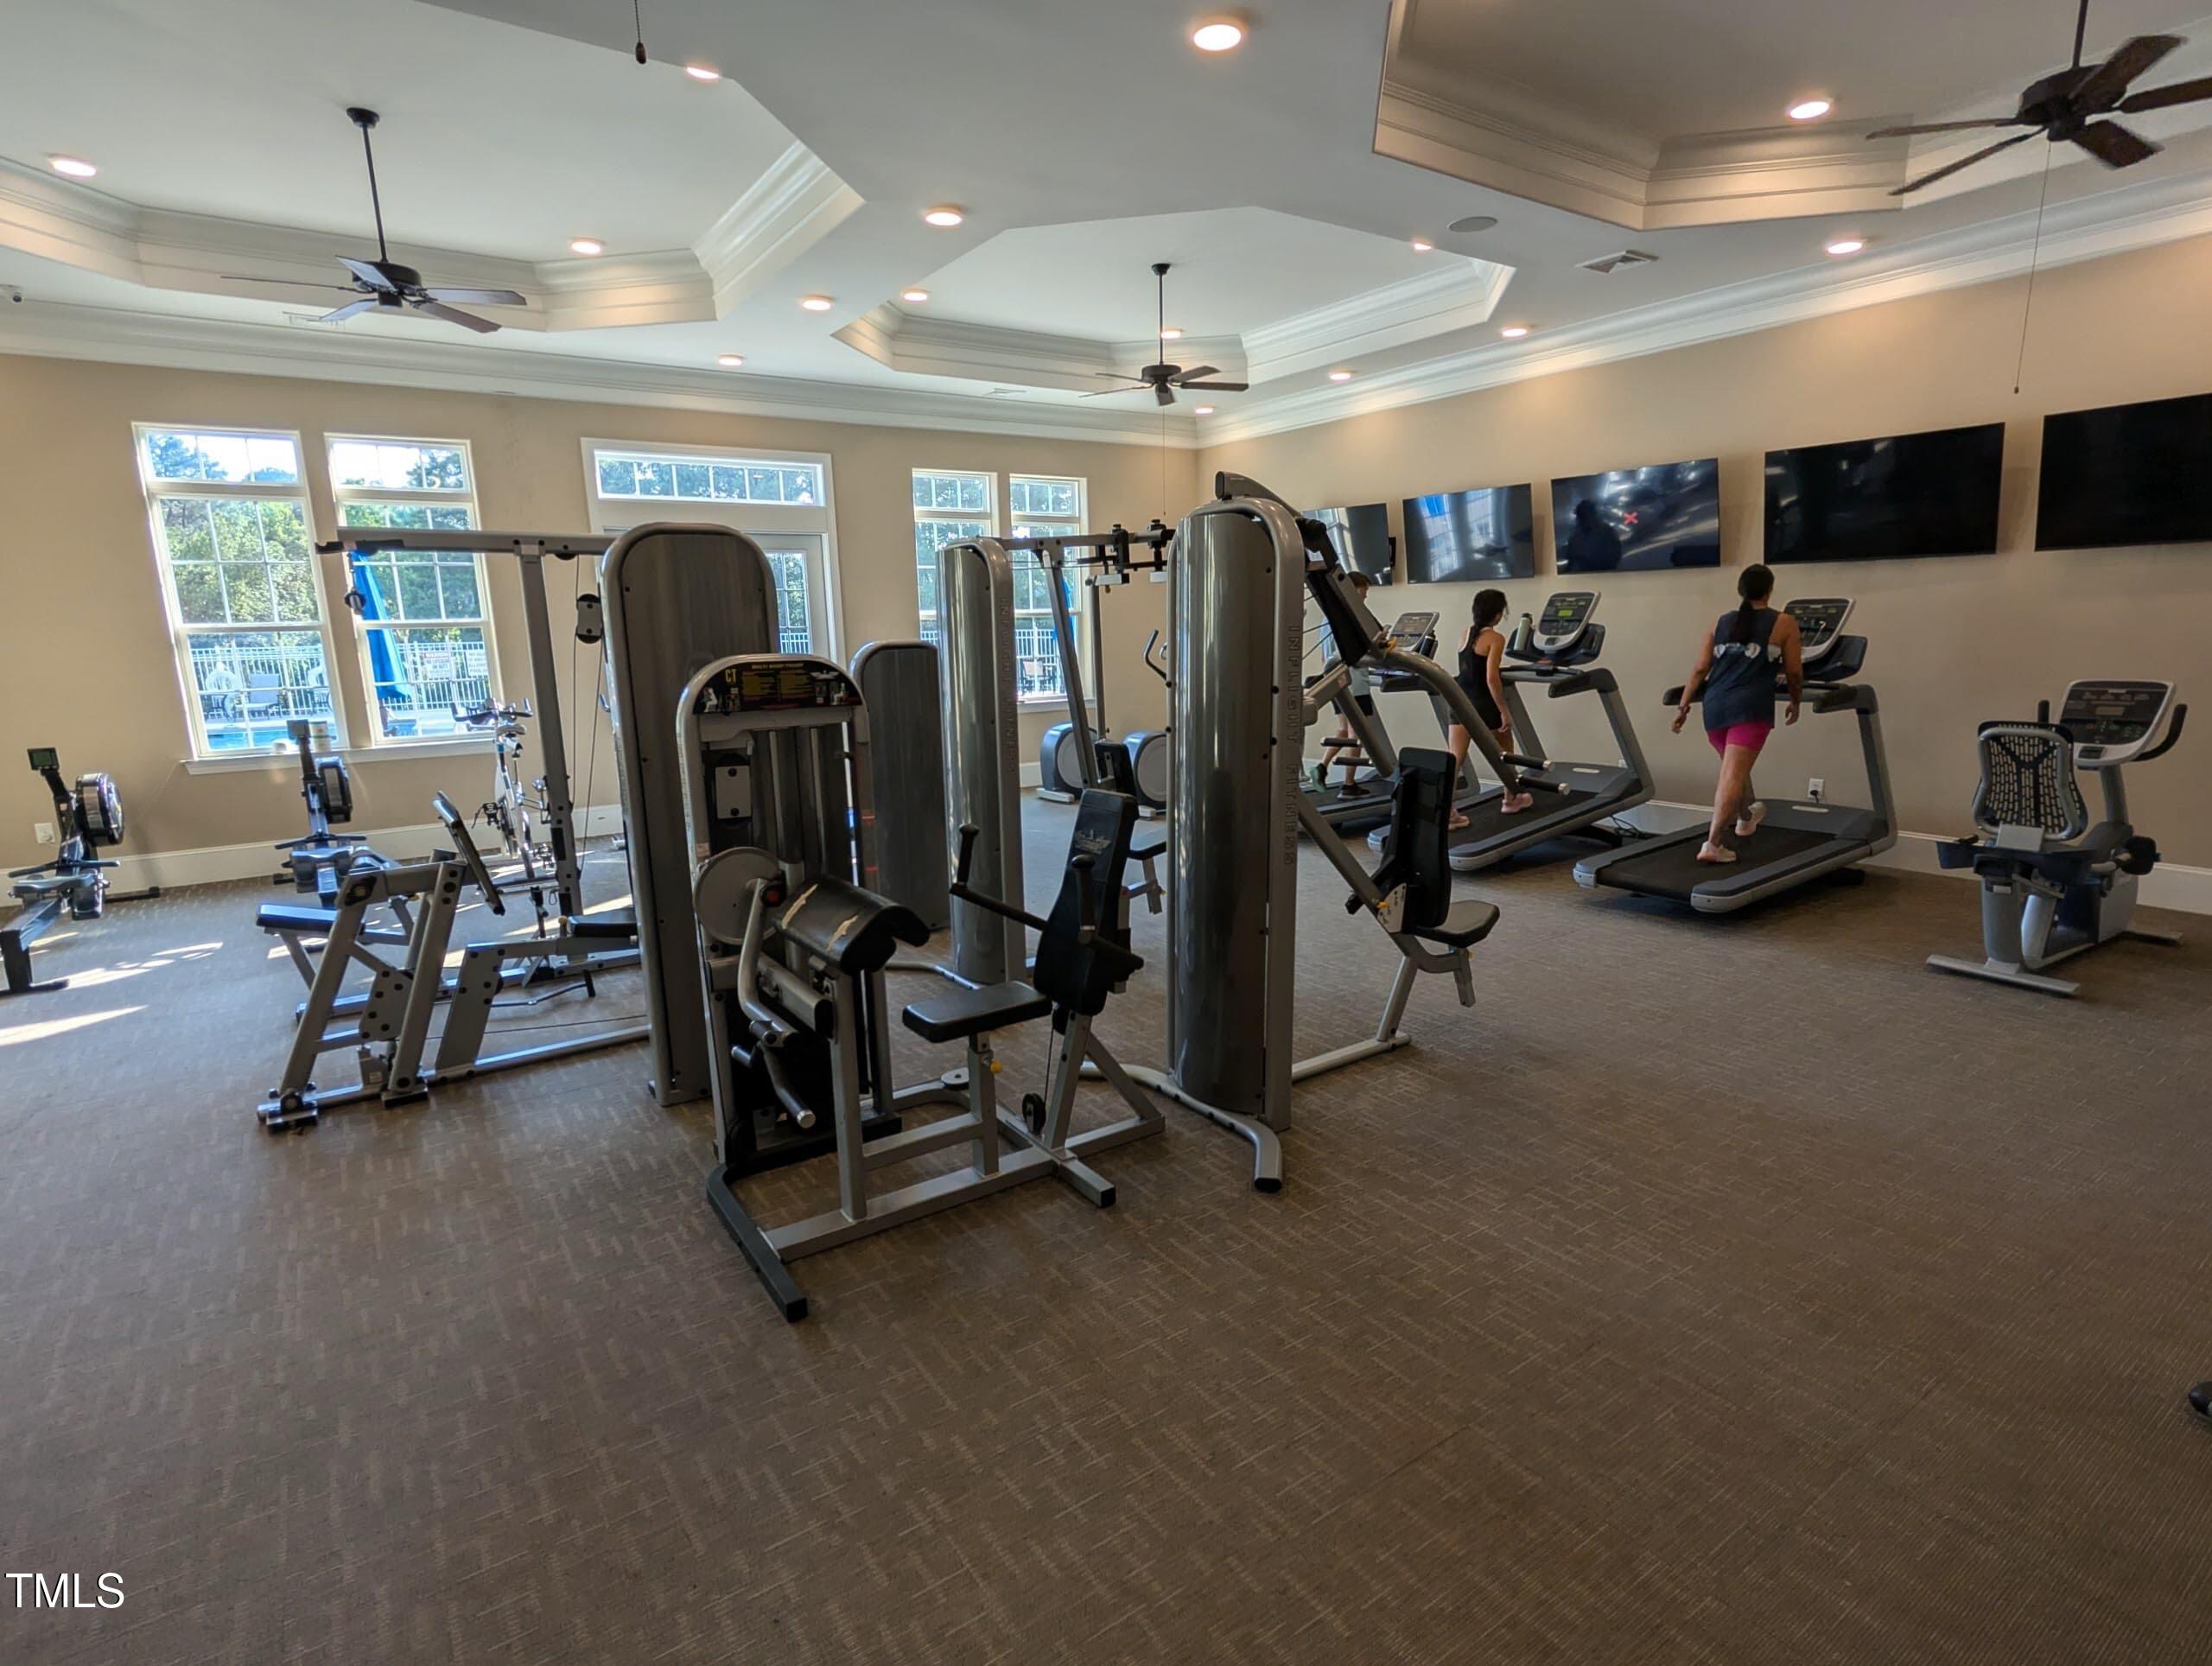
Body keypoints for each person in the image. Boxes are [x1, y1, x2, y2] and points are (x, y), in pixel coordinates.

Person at [1672, 563, 1802, 864]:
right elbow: (1795, 672)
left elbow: (1700, 669)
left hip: (1715, 708)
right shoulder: (1784, 622)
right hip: (1750, 709)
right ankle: (1712, 844)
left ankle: (1745, 819)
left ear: (1740, 591)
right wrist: (1795, 702)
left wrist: (1684, 707)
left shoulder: (1721, 622)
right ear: (1770, 590)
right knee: (1732, 776)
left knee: (1735, 772)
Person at [1448, 589, 1532, 829]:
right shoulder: (1496, 639)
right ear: (1497, 614)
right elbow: (1491, 678)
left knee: (1455, 759)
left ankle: (1446, 813)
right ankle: (1511, 798)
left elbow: (1469, 670)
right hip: (1483, 704)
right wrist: (1504, 710)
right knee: (1505, 752)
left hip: (1459, 701)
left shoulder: (1465, 634)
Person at [1319, 571, 1380, 792]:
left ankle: (1321, 766)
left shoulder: (1327, 617)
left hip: (1335, 682)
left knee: (1344, 731)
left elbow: (1324, 656)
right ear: (1353, 590)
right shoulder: (1352, 616)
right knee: (1358, 734)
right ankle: (1349, 784)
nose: (1366, 596)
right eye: (1364, 591)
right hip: (1355, 683)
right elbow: (1372, 646)